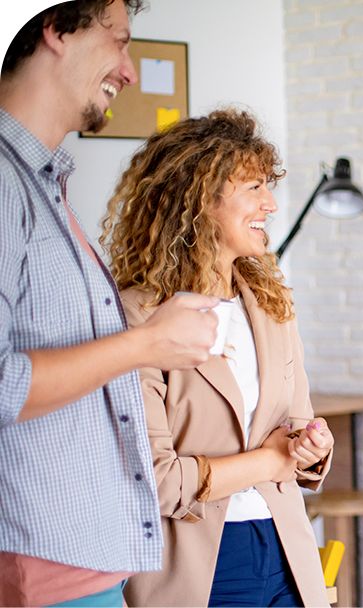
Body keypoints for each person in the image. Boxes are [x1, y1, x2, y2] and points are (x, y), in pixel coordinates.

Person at [0, 2, 219, 606]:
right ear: (56, 30)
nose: (127, 68)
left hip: (84, 562)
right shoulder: (4, 180)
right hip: (41, 567)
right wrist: (145, 344)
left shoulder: (42, 183)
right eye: (118, 41)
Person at [100, 109, 335, 607]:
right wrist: (270, 460)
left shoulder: (272, 305)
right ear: (199, 200)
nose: (270, 204)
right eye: (253, 187)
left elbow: (299, 427)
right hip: (200, 567)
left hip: (288, 552)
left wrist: (311, 447)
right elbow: (157, 482)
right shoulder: (137, 319)